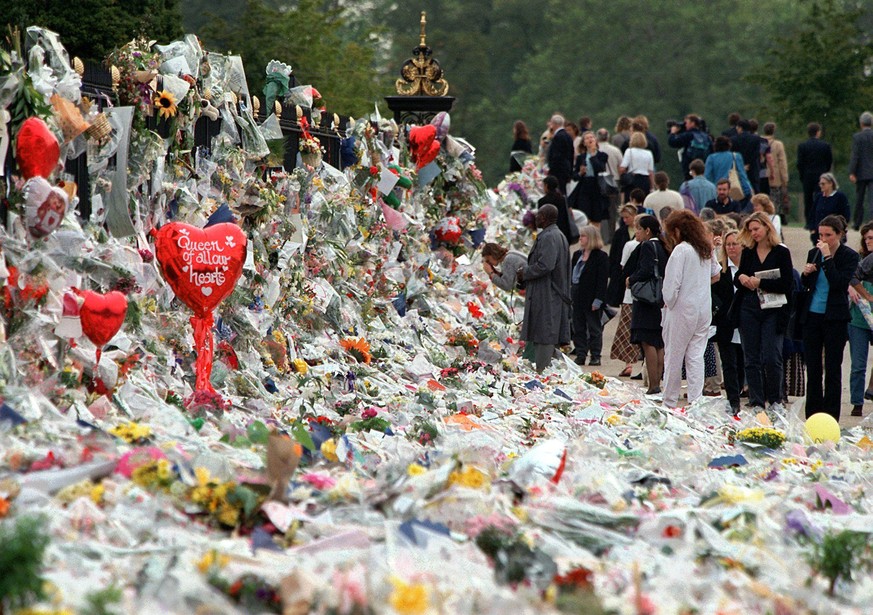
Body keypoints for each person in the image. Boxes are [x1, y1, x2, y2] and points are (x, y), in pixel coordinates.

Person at [798, 214, 859, 421]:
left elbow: (839, 283)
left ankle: (831, 417)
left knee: (833, 368)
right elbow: (807, 285)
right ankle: (813, 416)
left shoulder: (849, 256)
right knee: (813, 369)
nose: (823, 239)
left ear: (840, 235)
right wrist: (806, 274)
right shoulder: (813, 252)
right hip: (812, 315)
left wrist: (827, 259)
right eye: (820, 234)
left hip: (835, 317)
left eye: (828, 235)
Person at [734, 212, 793, 410]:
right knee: (750, 357)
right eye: (750, 230)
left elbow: (787, 283)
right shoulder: (749, 251)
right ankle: (756, 400)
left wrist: (761, 282)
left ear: (767, 227)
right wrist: (742, 278)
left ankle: (775, 399)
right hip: (749, 307)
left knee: (771, 356)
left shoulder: (781, 252)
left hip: (773, 308)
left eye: (757, 229)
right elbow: (741, 274)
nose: (754, 233)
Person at [660, 210, 719, 408]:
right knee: (695, 356)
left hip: (682, 308)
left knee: (674, 356)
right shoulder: (705, 249)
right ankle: (696, 401)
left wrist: (670, 301)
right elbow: (716, 274)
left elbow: (671, 286)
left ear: (677, 231)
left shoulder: (681, 250)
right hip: (703, 307)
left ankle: (669, 400)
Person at [518, 204, 571, 373]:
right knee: (546, 332)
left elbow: (545, 265)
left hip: (547, 293)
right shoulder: (557, 235)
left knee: (544, 334)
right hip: (549, 292)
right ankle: (549, 370)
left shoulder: (549, 237)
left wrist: (524, 273)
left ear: (546, 218)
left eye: (539, 215)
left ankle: (543, 372)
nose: (536, 218)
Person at [627, 214, 668, 396]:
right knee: (658, 342)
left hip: (646, 300)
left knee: (647, 342)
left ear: (647, 230)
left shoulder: (647, 246)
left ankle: (653, 385)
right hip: (659, 300)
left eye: (638, 229)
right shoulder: (663, 246)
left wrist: (631, 279)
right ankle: (657, 382)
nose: (637, 232)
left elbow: (645, 270)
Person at [712, 227, 745, 414]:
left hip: (745, 321)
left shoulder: (749, 266)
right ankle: (733, 401)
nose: (731, 248)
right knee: (729, 363)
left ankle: (740, 391)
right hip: (726, 321)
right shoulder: (721, 269)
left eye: (735, 244)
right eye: (728, 244)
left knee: (743, 362)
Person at [570, 225, 609, 366]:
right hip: (577, 295)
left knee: (594, 328)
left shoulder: (600, 257)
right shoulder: (577, 255)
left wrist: (598, 299)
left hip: (592, 296)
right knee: (578, 327)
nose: (580, 238)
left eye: (583, 236)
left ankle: (595, 355)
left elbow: (602, 280)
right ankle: (581, 354)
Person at [610, 207, 642, 377]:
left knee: (628, 331)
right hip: (648, 297)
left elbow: (622, 266)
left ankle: (629, 363)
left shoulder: (630, 245)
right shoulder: (656, 245)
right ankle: (644, 367)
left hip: (631, 294)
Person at [847, 222, 873, 416]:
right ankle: (857, 402)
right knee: (858, 364)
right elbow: (853, 276)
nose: (868, 241)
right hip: (861, 316)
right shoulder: (867, 259)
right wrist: (866, 295)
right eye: (867, 238)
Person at [568, 131, 609, 229]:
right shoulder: (580, 157)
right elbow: (574, 176)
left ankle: (595, 238)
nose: (590, 139)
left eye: (592, 137)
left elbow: (600, 168)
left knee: (596, 217)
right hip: (584, 188)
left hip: (597, 188)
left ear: (595, 140)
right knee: (585, 215)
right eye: (587, 138)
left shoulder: (602, 155)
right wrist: (580, 173)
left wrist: (592, 154)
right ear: (584, 143)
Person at [797, 122, 833, 231]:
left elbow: (800, 163)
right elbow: (829, 161)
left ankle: (809, 222)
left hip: (807, 175)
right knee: (820, 198)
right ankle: (820, 220)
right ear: (818, 132)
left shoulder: (802, 146)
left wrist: (802, 175)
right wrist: (825, 173)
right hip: (821, 175)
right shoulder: (825, 146)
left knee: (808, 199)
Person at [607, 204, 639, 307]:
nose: (625, 220)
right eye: (623, 218)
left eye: (627, 217)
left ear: (634, 215)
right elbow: (613, 253)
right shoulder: (619, 233)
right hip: (620, 267)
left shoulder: (640, 231)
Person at [704, 136, 752, 204]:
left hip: (718, 192)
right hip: (735, 191)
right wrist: (748, 190)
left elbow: (707, 176)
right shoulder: (735, 156)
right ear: (729, 145)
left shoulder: (711, 158)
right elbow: (742, 175)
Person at [808, 172, 849, 245]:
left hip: (835, 233)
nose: (821, 186)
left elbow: (845, 214)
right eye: (820, 184)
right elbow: (813, 213)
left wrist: (840, 229)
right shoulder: (819, 197)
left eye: (823, 184)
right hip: (819, 234)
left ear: (831, 183)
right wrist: (812, 228)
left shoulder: (840, 197)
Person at [667, 114, 712, 179]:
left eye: (687, 123)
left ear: (693, 123)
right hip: (704, 168)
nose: (685, 125)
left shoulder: (689, 135)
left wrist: (673, 133)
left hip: (689, 167)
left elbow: (672, 142)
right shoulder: (706, 136)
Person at [849, 111, 873, 230]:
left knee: (860, 199)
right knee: (872, 199)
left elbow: (855, 155)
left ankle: (857, 222)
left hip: (861, 172)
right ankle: (871, 221)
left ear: (861, 123)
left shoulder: (857, 137)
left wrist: (852, 171)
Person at [538, 175, 578, 246]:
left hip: (549, 234)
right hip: (563, 232)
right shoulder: (562, 199)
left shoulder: (542, 201)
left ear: (546, 186)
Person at [762, 122, 790, 223]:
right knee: (774, 201)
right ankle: (774, 221)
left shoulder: (759, 142)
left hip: (761, 176)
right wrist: (785, 179)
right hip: (775, 178)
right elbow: (782, 162)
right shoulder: (778, 144)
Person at [619, 131, 655, 202]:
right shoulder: (649, 153)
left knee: (630, 203)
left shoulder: (629, 151)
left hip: (633, 180)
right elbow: (650, 172)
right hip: (645, 180)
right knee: (643, 202)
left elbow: (622, 168)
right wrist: (652, 187)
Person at [546, 114, 574, 195]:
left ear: (554, 124)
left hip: (558, 171)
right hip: (566, 169)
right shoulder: (568, 136)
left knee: (559, 192)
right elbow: (571, 155)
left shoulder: (558, 137)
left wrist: (551, 168)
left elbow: (556, 156)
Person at [731, 119, 762, 193]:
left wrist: (741, 166)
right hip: (753, 168)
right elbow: (756, 154)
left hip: (738, 169)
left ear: (740, 128)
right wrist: (749, 164)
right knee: (755, 189)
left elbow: (733, 155)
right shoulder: (756, 139)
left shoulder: (733, 139)